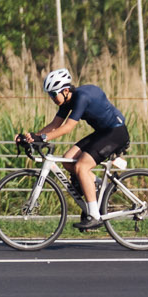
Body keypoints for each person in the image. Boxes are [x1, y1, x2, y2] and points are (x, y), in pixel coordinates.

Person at [27, 68, 128, 223]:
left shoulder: (82, 98)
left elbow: (67, 128)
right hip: (103, 133)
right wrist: (32, 137)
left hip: (116, 133)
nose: (52, 98)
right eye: (49, 95)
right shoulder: (66, 101)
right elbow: (54, 125)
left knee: (82, 167)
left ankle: (94, 216)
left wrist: (43, 138)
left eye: (53, 94)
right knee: (68, 159)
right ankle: (101, 187)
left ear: (65, 90)